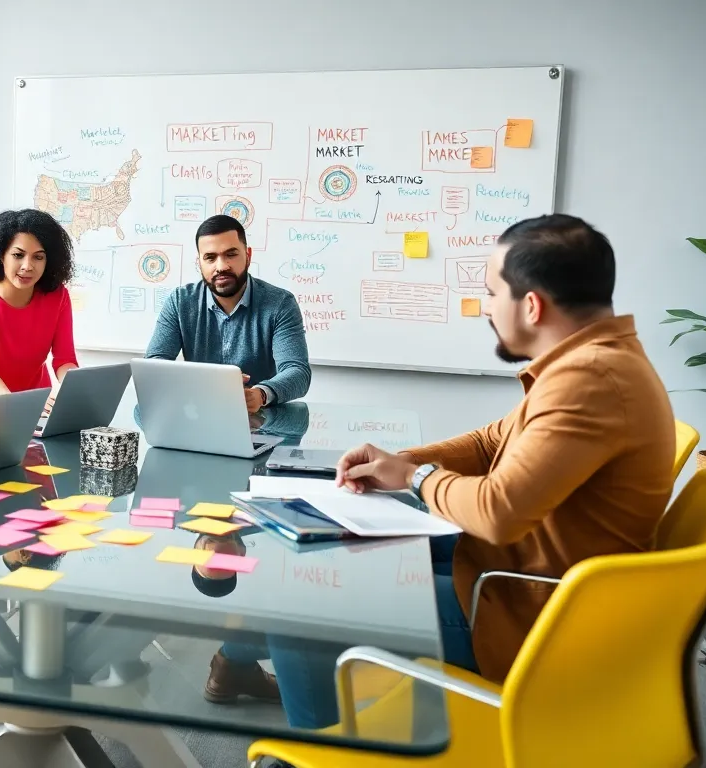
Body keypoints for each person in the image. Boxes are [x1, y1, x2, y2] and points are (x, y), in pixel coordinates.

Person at [336, 213, 675, 683]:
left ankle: (323, 748)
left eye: (493, 295)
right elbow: (488, 441)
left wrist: (416, 478)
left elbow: (498, 511)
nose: (487, 308)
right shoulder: (591, 362)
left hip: (531, 621)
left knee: (319, 604)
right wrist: (402, 461)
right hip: (517, 579)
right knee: (349, 552)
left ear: (531, 306)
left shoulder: (591, 379)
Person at [145, 214, 311, 413]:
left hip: (259, 424)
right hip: (196, 416)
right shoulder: (180, 301)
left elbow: (298, 372)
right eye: (210, 257)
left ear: (248, 255)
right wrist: (207, 382)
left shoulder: (280, 304)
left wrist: (261, 394)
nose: (221, 266)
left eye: (231, 254)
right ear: (199, 262)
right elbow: (154, 366)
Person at [0, 209, 78, 405]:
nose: (27, 266)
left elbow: (65, 359)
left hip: (41, 410)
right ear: (1, 256)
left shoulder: (58, 296)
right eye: (18, 255)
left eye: (38, 257)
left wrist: (78, 392)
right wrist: (17, 405)